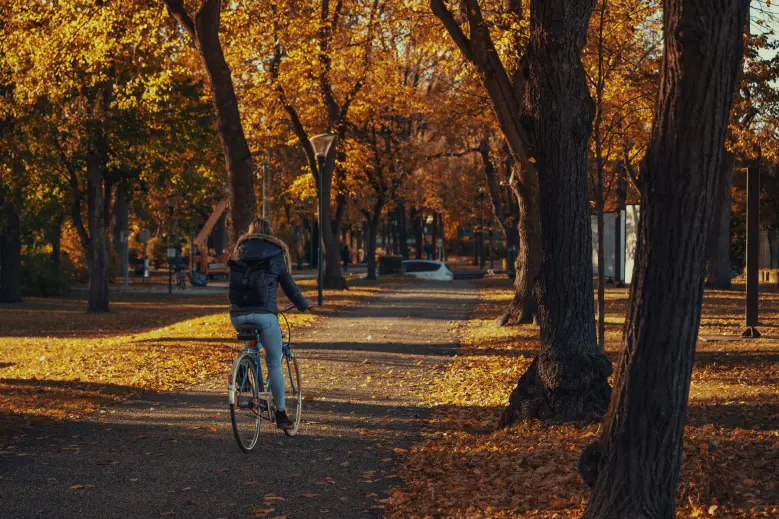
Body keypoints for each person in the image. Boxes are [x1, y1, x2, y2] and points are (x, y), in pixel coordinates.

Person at [229, 217, 311, 429]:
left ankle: (243, 366)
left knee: (250, 337)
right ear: (270, 233)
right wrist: (303, 305)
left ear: (250, 231)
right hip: (264, 314)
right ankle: (281, 413)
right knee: (273, 362)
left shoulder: (239, 250)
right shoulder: (276, 252)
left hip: (237, 314)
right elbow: (290, 287)